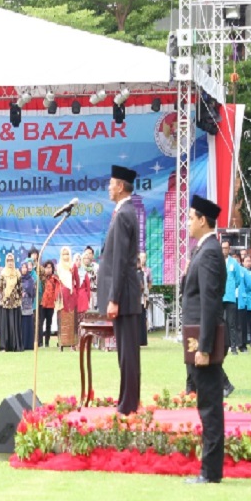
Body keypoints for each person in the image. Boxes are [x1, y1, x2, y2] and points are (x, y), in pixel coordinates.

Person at [181, 195, 228, 484]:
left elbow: (210, 303)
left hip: (203, 342)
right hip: (196, 340)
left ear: (202, 220)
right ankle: (209, 471)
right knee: (205, 404)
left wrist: (205, 347)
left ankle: (210, 473)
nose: (187, 222)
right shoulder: (204, 249)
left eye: (190, 218)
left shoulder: (209, 251)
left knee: (210, 406)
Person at [97, 165, 142, 415]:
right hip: (122, 294)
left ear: (121, 186)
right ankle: (127, 401)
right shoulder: (122, 212)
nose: (109, 187)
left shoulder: (125, 213)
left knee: (127, 353)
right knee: (125, 353)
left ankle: (128, 404)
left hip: (123, 294)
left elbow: (121, 261)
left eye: (111, 183)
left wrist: (113, 298)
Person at [55, 247, 81, 350]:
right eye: (64, 254)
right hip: (62, 296)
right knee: (62, 319)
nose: (65, 256)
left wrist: (75, 291)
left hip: (71, 296)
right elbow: (56, 281)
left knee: (71, 319)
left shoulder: (73, 266)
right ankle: (61, 343)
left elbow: (77, 280)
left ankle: (71, 344)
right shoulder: (59, 266)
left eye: (67, 254)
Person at [0, 254, 22, 352]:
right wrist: (6, 296)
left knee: (14, 325)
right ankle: (4, 346)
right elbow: (0, 288)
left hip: (15, 303)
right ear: (6, 262)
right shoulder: (3, 273)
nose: (10, 262)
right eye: (8, 260)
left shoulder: (17, 273)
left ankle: (16, 346)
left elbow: (20, 288)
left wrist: (17, 298)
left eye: (12, 260)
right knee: (5, 325)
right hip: (5, 303)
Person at [221, 241, 240, 354]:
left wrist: (231, 287)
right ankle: (221, 346)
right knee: (220, 322)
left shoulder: (234, 263)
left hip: (230, 297)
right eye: (223, 248)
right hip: (220, 297)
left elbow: (238, 279)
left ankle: (233, 347)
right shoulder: (217, 261)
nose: (224, 250)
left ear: (229, 249)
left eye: (226, 248)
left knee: (231, 322)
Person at [40, 260, 58, 347]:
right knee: (40, 323)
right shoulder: (42, 278)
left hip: (51, 304)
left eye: (50, 267)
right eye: (46, 267)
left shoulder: (54, 279)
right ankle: (40, 342)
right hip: (42, 304)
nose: (48, 269)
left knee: (48, 324)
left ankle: (47, 342)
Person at [20, 261, 36, 351]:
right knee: (21, 324)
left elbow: (33, 292)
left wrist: (26, 293)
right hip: (20, 305)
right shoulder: (18, 278)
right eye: (22, 267)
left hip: (28, 305)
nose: (24, 269)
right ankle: (22, 343)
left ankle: (29, 344)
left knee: (28, 324)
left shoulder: (31, 279)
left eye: (25, 267)